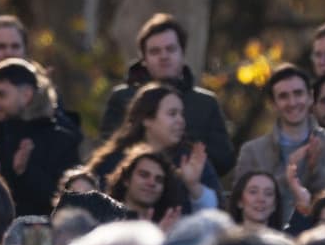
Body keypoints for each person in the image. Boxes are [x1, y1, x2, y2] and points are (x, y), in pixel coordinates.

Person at [100, 13, 235, 175]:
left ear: (182, 53)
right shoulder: (122, 98)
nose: (164, 56)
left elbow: (224, 159)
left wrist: (183, 147)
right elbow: (107, 151)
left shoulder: (206, 103)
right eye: (155, 51)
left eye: (170, 49)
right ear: (144, 59)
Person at [0, 59, 81, 217]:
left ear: (27, 95)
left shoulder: (60, 139)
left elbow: (65, 200)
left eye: (1, 94)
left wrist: (26, 172)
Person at [234, 65, 325, 224]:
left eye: (298, 94)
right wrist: (288, 174)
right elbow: (240, 203)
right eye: (283, 96)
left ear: (310, 97)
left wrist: (315, 169)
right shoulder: (252, 151)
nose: (292, 102)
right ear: (273, 103)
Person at [87, 82, 221, 212]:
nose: (181, 121)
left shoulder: (192, 162)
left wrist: (194, 186)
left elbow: (217, 218)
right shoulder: (112, 162)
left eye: (181, 114)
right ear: (147, 119)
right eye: (172, 114)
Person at [105, 146, 183, 227]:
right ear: (126, 179)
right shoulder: (101, 216)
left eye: (159, 180)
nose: (152, 183)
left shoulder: (167, 228)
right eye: (144, 175)